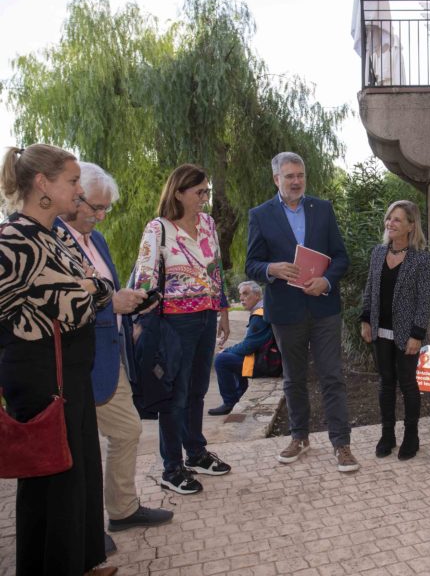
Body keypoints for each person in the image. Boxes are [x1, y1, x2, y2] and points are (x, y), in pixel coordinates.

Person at [0, 145, 117, 575]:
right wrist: (82, 291)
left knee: (79, 470)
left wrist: (84, 292)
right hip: (39, 373)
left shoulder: (52, 234)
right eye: (71, 181)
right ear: (42, 185)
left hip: (70, 371)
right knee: (50, 477)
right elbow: (85, 294)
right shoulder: (13, 239)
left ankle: (82, 561)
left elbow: (96, 289)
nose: (78, 189)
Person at [56, 162, 173, 549]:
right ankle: (86, 529)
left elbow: (106, 290)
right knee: (79, 448)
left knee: (127, 430)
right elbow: (63, 303)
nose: (100, 215)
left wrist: (131, 310)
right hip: (74, 361)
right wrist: (113, 306)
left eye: (106, 209)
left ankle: (122, 510)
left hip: (109, 358)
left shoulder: (98, 240)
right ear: (74, 197)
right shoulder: (53, 239)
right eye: (94, 207)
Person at [245, 151, 358, 472]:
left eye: (300, 175)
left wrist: (327, 280)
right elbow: (251, 265)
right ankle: (299, 437)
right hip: (285, 311)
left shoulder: (322, 209)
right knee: (293, 379)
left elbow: (341, 257)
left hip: (323, 308)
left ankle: (342, 444)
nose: (296, 181)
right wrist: (272, 268)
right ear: (276, 179)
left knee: (332, 376)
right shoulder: (260, 215)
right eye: (289, 176)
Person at [133, 164, 232, 495]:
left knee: (198, 389)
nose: (205, 197)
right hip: (173, 323)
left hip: (205, 318)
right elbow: (144, 278)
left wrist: (223, 311)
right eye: (199, 192)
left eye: (207, 191)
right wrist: (140, 324)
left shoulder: (207, 223)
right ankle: (171, 467)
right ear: (178, 193)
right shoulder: (158, 229)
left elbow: (215, 268)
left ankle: (196, 453)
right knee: (175, 394)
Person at [360, 200, 430, 460]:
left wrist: (417, 334)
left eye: (397, 220)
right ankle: (387, 434)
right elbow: (370, 288)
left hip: (406, 334)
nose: (390, 223)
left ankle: (411, 436)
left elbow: (424, 300)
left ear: (411, 226)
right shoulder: (378, 253)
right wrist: (366, 319)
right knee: (385, 383)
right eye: (389, 218)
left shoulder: (423, 260)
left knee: (408, 384)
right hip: (380, 331)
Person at [208, 281, 272, 416]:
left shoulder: (260, 315)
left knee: (221, 360)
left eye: (246, 294)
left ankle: (229, 402)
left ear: (257, 295)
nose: (241, 298)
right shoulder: (264, 310)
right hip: (268, 359)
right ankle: (239, 394)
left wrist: (227, 350)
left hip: (267, 363)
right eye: (240, 295)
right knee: (232, 357)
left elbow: (248, 347)